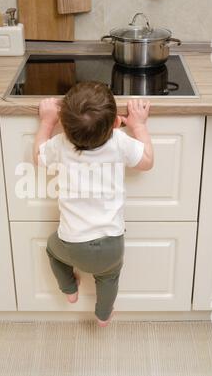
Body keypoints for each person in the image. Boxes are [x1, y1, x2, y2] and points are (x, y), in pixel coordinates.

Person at [34, 82, 154, 327]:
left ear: (64, 126)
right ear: (116, 123)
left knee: (50, 248)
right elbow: (147, 162)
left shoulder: (61, 143)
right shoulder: (119, 141)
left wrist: (46, 122)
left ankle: (69, 289)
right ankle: (103, 315)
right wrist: (139, 125)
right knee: (109, 279)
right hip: (112, 245)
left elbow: (38, 158)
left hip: (72, 245)